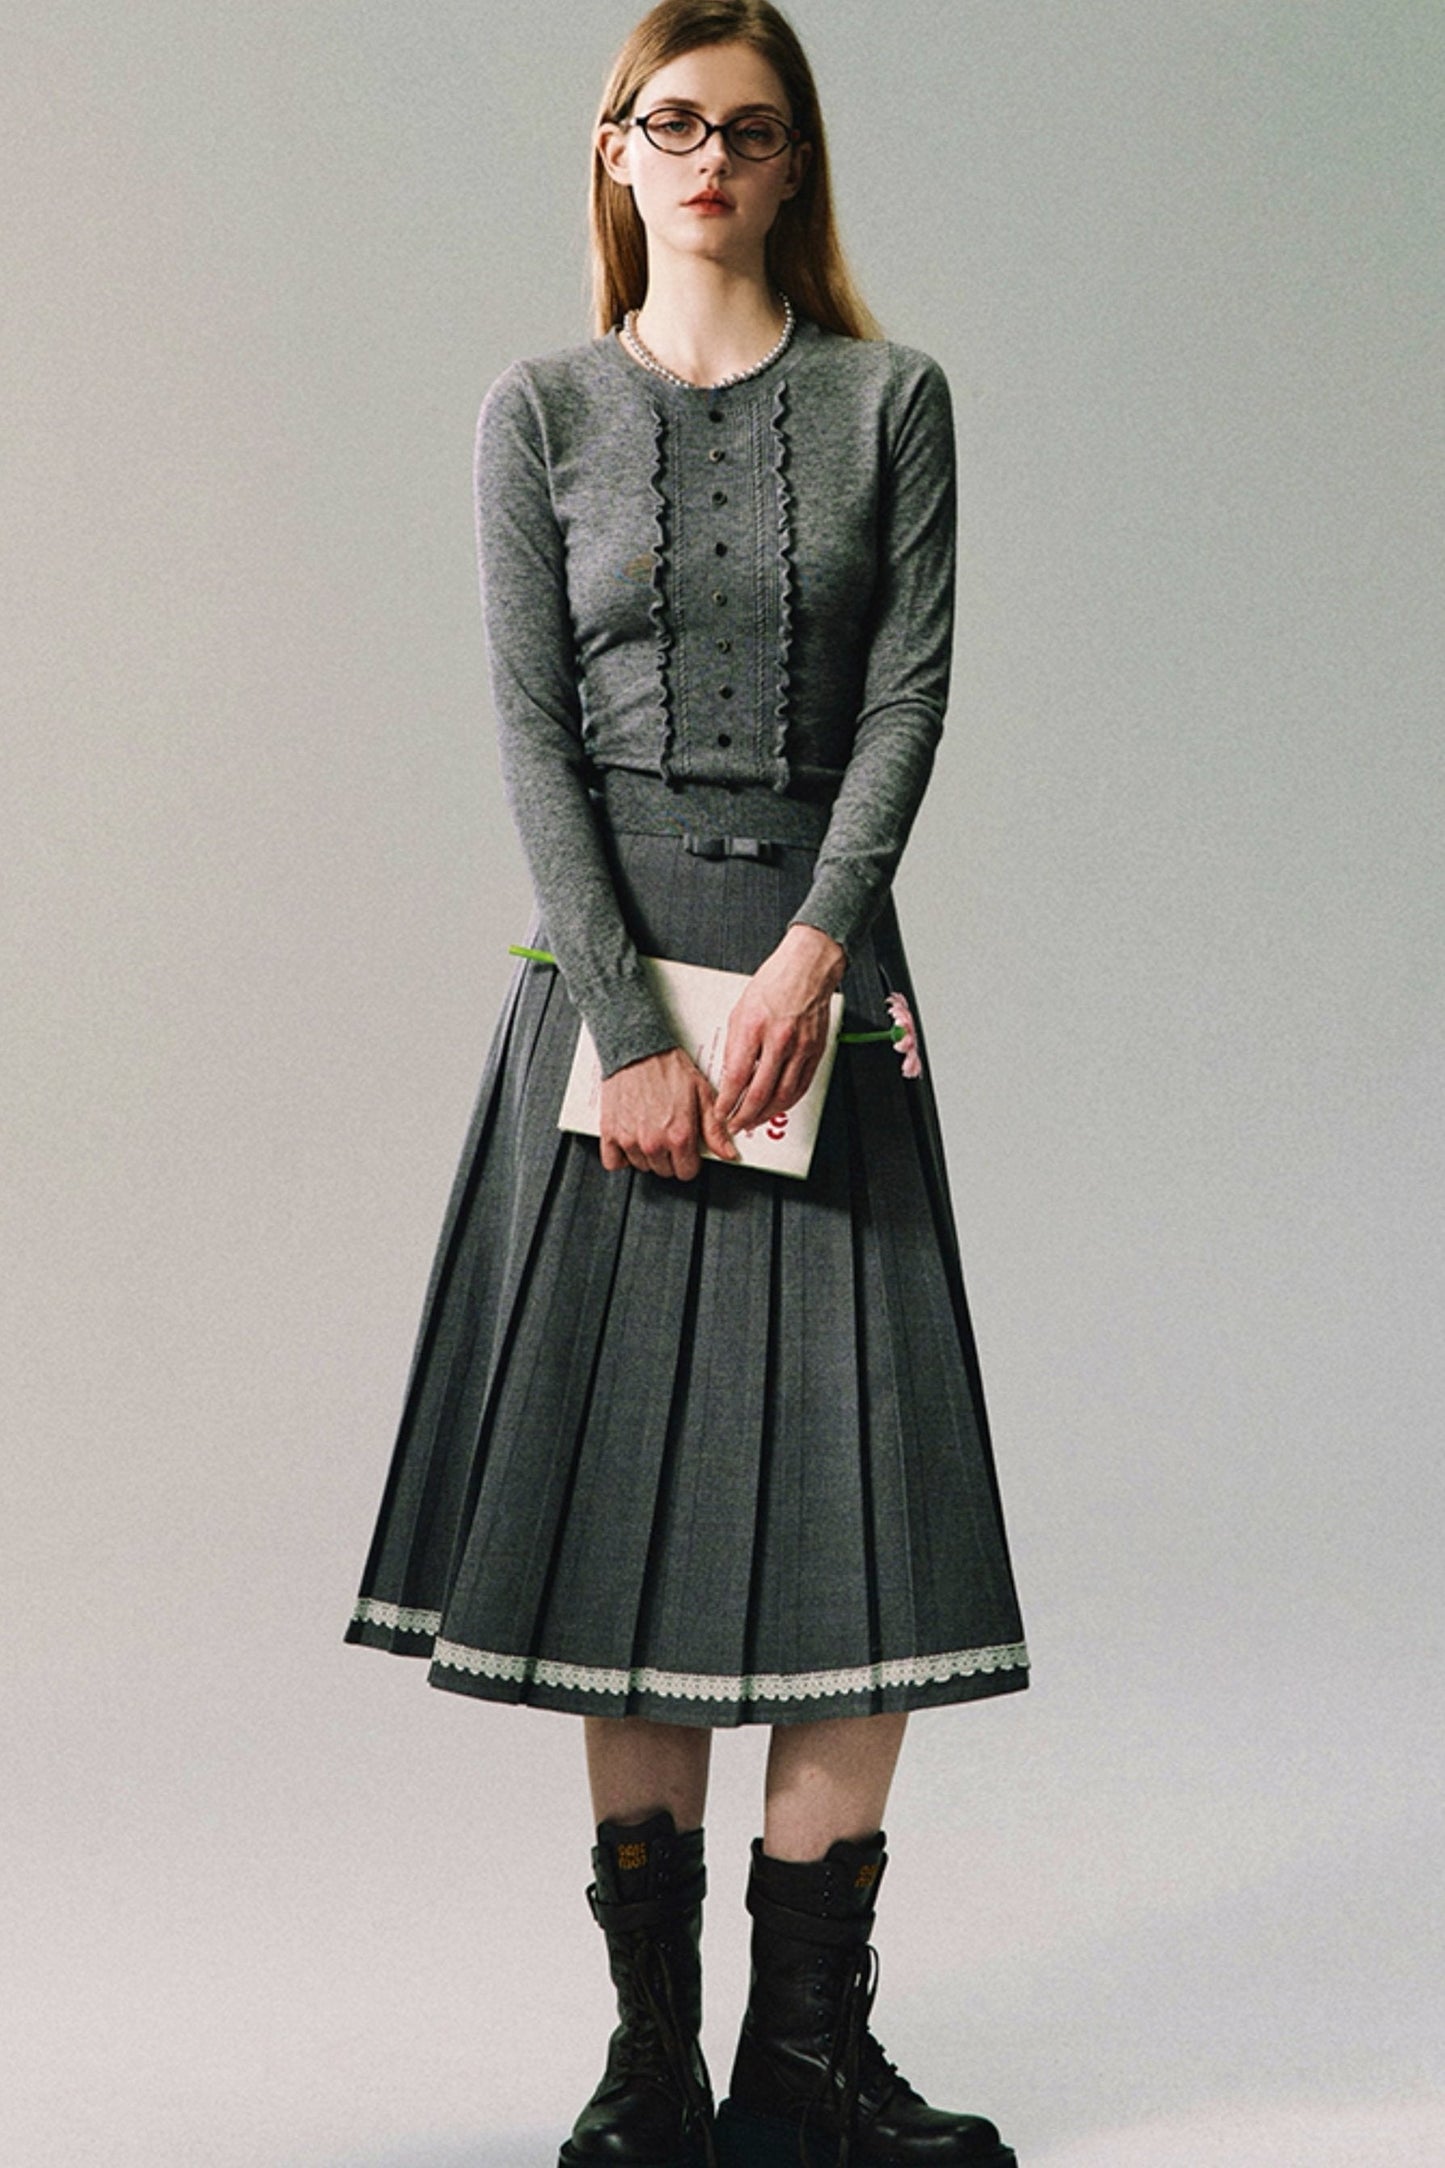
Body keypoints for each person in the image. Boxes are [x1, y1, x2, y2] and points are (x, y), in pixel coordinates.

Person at [344, 3, 1029, 2162]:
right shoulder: (535, 412)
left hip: (823, 995)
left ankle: (802, 2063)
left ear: (794, 159)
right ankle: (652, 2069)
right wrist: (630, 1031)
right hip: (612, 1008)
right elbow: (532, 736)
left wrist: (812, 955)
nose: (710, 155)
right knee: (628, 1520)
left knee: (862, 1516)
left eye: (749, 125)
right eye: (673, 121)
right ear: (614, 151)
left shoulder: (893, 401)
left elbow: (907, 699)